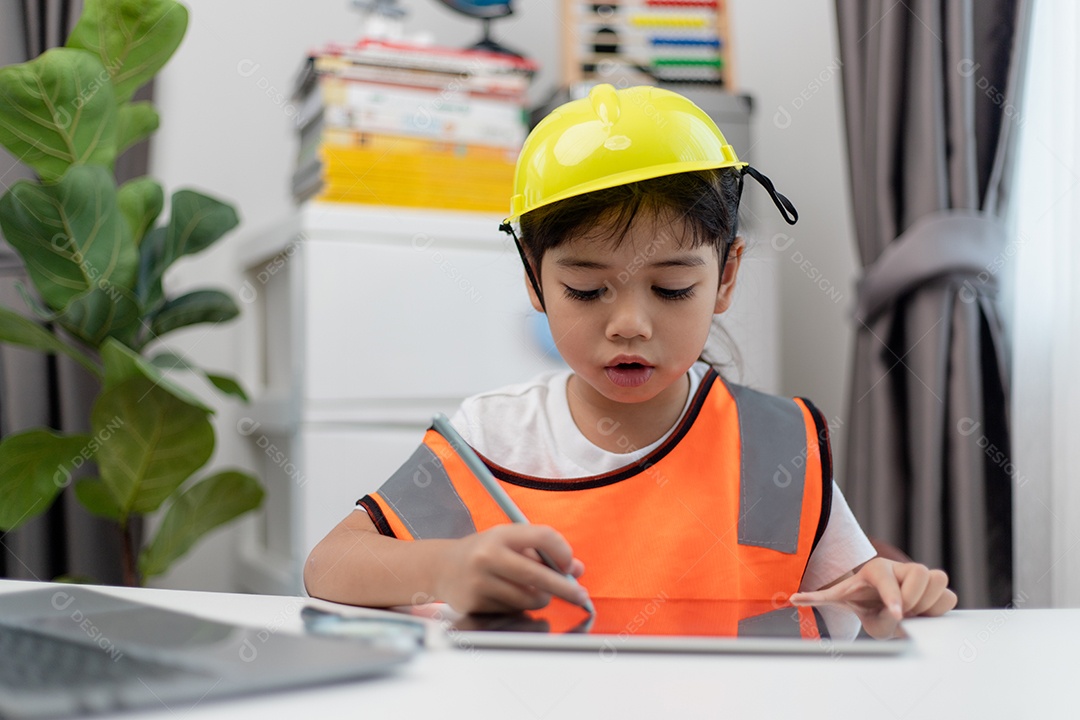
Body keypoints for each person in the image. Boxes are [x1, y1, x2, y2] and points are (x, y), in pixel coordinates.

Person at [304, 85, 957, 626]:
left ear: (726, 278)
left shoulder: (775, 443)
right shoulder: (491, 438)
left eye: (672, 288)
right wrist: (442, 569)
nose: (629, 325)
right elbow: (329, 565)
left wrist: (893, 585)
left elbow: (854, 593)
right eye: (586, 289)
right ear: (533, 280)